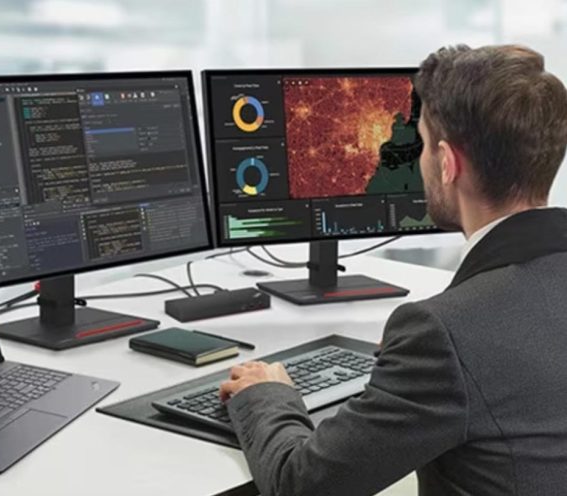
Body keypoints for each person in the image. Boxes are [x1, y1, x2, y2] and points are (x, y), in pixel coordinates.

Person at [219, 44, 567, 496]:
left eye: (420, 144)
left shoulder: (445, 332)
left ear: (446, 163)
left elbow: (300, 484)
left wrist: (265, 394)